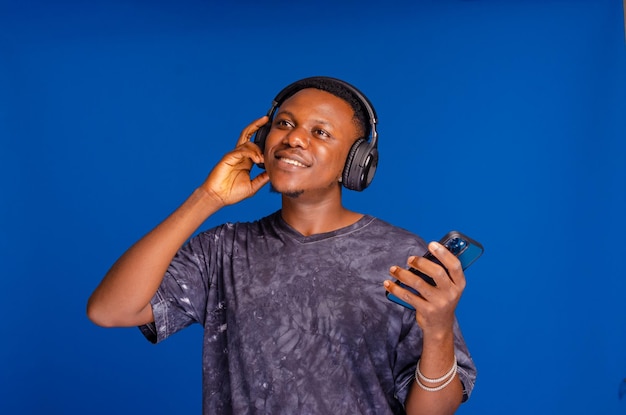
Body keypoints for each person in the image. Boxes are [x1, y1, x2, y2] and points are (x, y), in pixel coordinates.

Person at [87, 76, 477, 414]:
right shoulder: (222, 250)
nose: (293, 138)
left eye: (320, 132)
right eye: (284, 124)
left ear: (356, 163)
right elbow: (109, 311)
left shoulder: (401, 257)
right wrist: (208, 198)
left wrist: (439, 328)